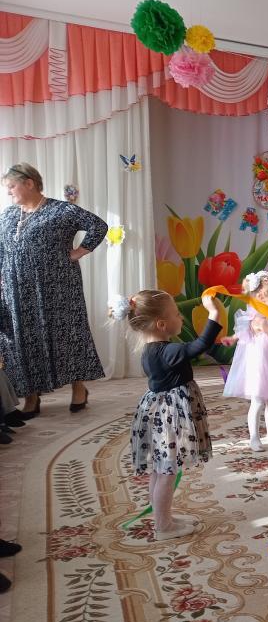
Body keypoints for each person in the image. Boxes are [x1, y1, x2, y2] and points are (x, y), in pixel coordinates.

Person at [114, 290, 222, 541]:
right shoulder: (168, 351)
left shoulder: (151, 350)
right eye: (176, 314)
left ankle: (163, 518)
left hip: (160, 413)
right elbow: (200, 345)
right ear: (162, 324)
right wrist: (214, 313)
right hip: (169, 416)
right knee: (167, 472)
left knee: (160, 470)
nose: (180, 318)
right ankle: (163, 526)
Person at [0, 163, 108, 414]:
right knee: (22, 340)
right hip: (16, 291)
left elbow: (98, 226)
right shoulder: (7, 215)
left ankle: (78, 387)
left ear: (29, 183)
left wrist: (79, 251)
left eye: (11, 186)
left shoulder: (61, 210)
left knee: (68, 335)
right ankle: (31, 395)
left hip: (58, 287)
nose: (8, 192)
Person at [222, 271, 268, 451]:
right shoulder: (259, 319)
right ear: (262, 297)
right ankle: (254, 438)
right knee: (258, 402)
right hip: (260, 364)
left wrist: (233, 338)